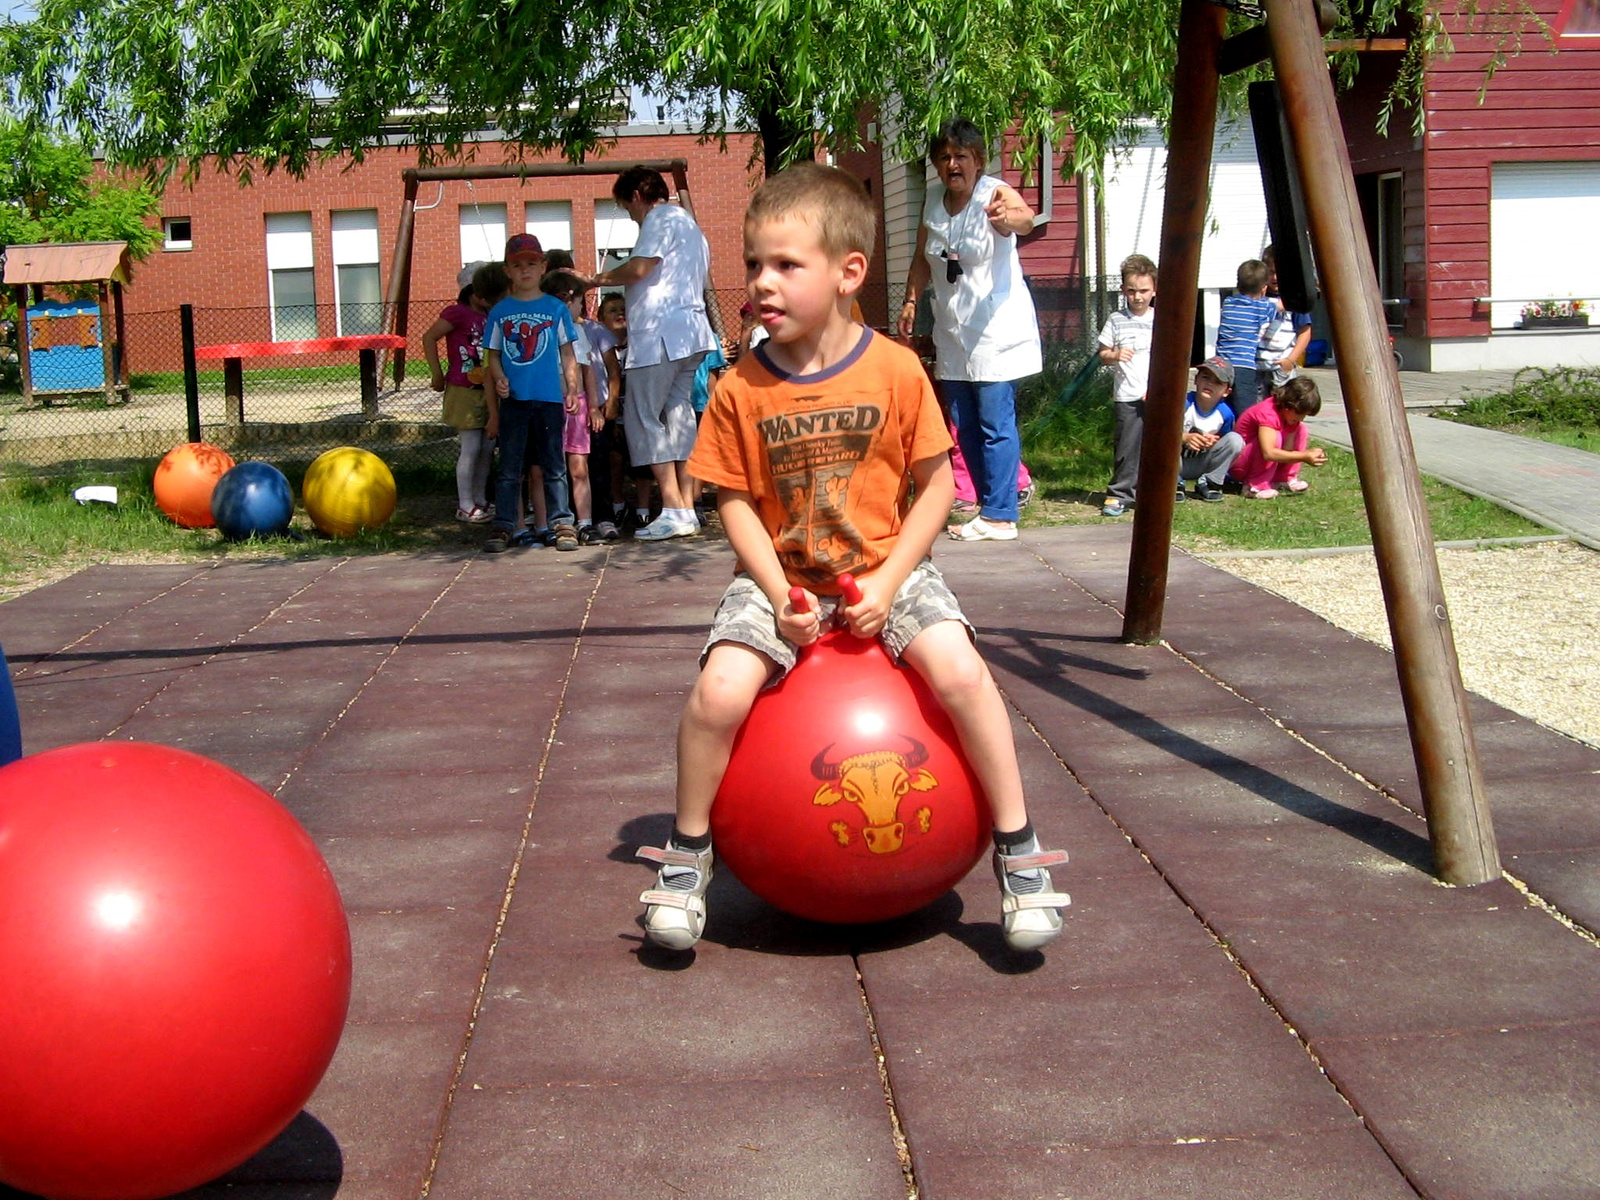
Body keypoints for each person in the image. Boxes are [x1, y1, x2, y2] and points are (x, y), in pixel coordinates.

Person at [636, 162, 1070, 954]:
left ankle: (1019, 852)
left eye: (785, 266)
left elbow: (937, 489)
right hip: (781, 579)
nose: (764, 283)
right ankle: (687, 857)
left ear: (848, 273)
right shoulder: (739, 388)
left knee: (965, 673)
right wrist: (776, 595)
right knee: (717, 694)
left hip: (890, 569)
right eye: (754, 265)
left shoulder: (897, 369)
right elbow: (730, 500)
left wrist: (892, 580)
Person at [897, 118, 1042, 544]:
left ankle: (1002, 513)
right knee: (962, 422)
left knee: (995, 420)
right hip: (952, 329)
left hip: (994, 328)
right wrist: (910, 300)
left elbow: (1025, 218)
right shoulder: (933, 200)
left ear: (978, 160)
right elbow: (923, 258)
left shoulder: (994, 192)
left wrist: (1009, 217)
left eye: (961, 156)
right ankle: (985, 506)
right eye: (944, 157)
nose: (952, 164)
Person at [586, 166, 719, 542]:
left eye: (627, 207)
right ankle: (686, 510)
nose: (630, 215)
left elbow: (641, 267)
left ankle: (674, 508)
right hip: (691, 333)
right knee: (678, 415)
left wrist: (597, 279)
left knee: (644, 416)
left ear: (637, 196)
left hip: (660, 334)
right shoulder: (690, 225)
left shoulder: (658, 219)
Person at [482, 233, 583, 553]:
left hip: (550, 398)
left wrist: (571, 387)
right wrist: (499, 379)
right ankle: (504, 525)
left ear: (543, 267)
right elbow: (493, 355)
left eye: (531, 263)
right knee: (510, 468)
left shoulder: (555, 309)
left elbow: (568, 353)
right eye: (517, 265)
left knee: (554, 465)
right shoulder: (501, 312)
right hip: (515, 401)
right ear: (507, 270)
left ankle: (562, 523)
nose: (524, 270)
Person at [422, 262, 508, 523]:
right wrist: (437, 372)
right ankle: (465, 503)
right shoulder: (456, 314)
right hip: (464, 389)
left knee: (487, 446)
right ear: (473, 293)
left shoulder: (492, 315)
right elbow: (429, 337)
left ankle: (480, 498)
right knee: (470, 447)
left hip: (488, 389)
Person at [542, 269, 606, 543]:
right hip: (549, 404)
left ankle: (586, 522)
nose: (577, 307)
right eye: (576, 301)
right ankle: (553, 521)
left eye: (578, 301)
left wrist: (593, 407)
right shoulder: (543, 329)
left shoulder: (578, 331)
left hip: (576, 405)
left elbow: (587, 370)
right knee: (551, 467)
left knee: (579, 466)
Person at [1096, 254, 1158, 518]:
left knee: (1159, 444)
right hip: (1127, 395)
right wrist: (1115, 355)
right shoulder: (1116, 319)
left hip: (1155, 393)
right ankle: (1120, 493)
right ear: (1123, 291)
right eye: (1131, 291)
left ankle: (1159, 490)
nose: (1138, 297)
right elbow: (1102, 354)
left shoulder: (1161, 318)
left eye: (1143, 291)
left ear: (1154, 290)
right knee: (1127, 447)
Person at [1229, 376, 1327, 498]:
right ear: (1288, 405)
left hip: (1261, 462)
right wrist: (1304, 456)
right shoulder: (1268, 413)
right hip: (1240, 465)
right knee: (1274, 438)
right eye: (1299, 413)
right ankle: (1254, 485)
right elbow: (1268, 453)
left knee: (1302, 430)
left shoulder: (1288, 417)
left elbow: (1288, 448)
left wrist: (1304, 455)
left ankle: (1283, 478)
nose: (1301, 418)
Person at [581, 293, 624, 542]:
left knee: (599, 464)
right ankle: (578, 518)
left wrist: (612, 402)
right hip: (570, 409)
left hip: (598, 407)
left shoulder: (595, 331)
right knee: (574, 467)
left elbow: (612, 369)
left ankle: (604, 517)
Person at [1216, 259, 1279, 410]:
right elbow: (1284, 306)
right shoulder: (1262, 307)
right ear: (1264, 289)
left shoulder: (1228, 302)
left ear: (1238, 285)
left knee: (1222, 405)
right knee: (1245, 410)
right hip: (1244, 367)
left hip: (1221, 364)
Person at [1179, 357, 1243, 502]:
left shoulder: (1225, 414)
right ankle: (1174, 482)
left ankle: (1210, 481)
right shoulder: (1183, 403)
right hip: (1175, 463)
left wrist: (1212, 442)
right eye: (1206, 377)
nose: (1209, 383)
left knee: (1235, 440)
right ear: (1196, 379)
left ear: (1227, 391)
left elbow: (1224, 442)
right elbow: (1161, 433)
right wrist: (1184, 437)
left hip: (1201, 462)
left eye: (1217, 382)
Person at [1260, 244, 1314, 391]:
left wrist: (1291, 360)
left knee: (1284, 406)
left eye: (1280, 272)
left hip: (1282, 365)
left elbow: (1305, 331)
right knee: (1258, 410)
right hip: (1257, 367)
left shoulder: (1292, 300)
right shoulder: (1257, 298)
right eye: (1270, 272)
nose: (1275, 277)